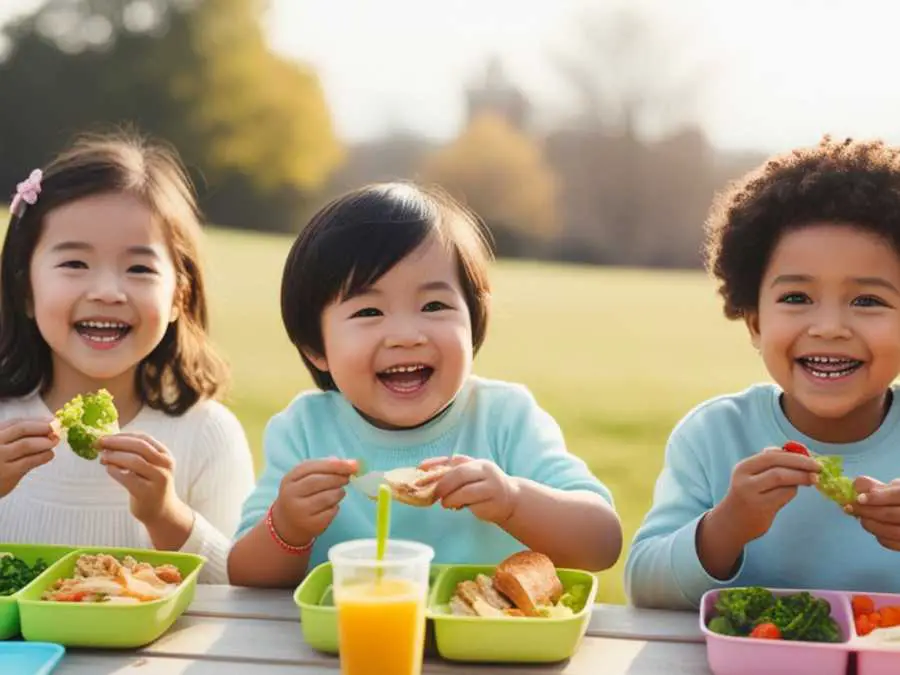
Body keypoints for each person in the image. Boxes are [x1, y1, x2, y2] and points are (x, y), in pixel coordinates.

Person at [227, 182, 622, 587]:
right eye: (369, 310)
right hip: (349, 642)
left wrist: (513, 501)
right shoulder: (304, 430)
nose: (406, 335)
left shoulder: (505, 417)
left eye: (434, 306)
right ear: (316, 347)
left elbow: (603, 542)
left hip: (490, 644)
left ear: (473, 321)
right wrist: (288, 528)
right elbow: (243, 575)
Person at [626, 136, 900, 609]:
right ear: (754, 322)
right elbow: (644, 588)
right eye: (796, 298)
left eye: (867, 301)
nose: (830, 327)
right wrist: (726, 526)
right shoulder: (713, 435)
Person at [0, 131, 255, 583]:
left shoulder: (206, 436)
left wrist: (165, 515)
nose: (106, 292)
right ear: (25, 289)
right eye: (74, 264)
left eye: (139, 268)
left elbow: (243, 588)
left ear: (179, 296)